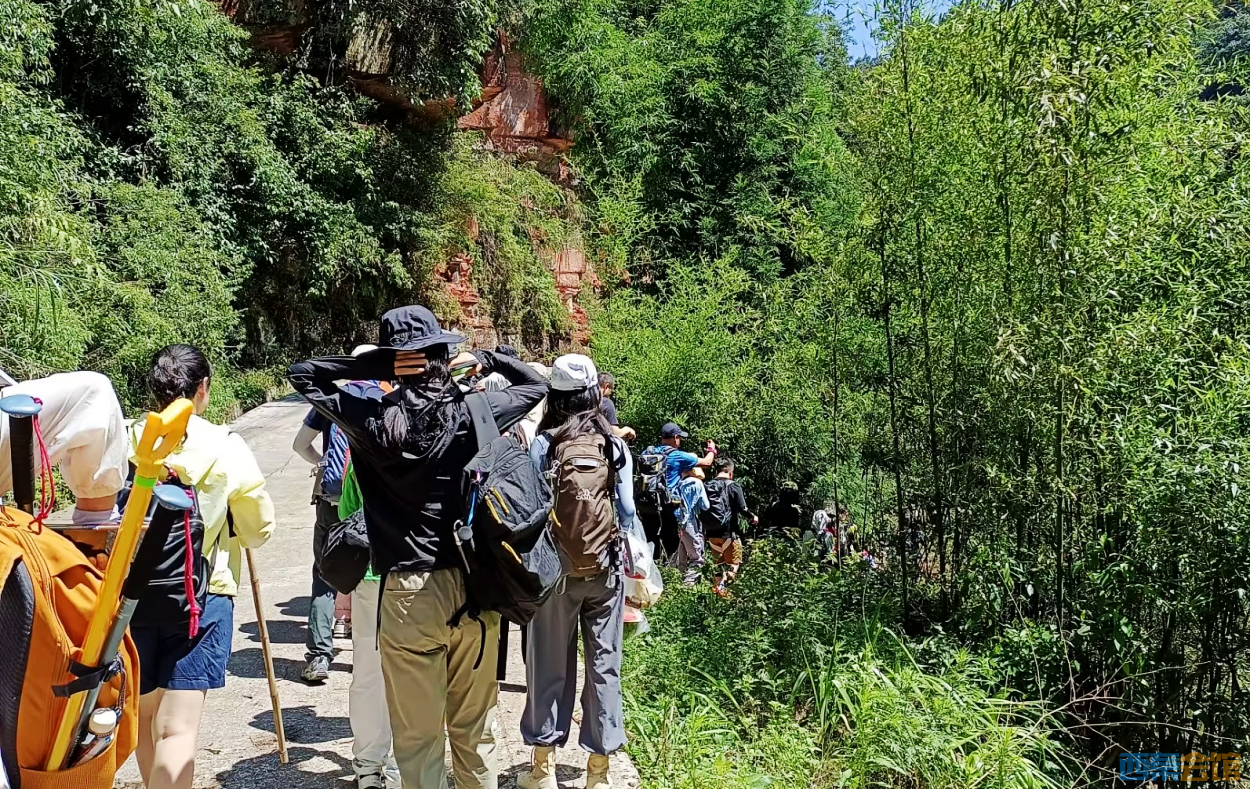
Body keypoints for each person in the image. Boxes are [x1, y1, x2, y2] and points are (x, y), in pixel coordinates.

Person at [288, 305, 548, 789]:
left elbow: (303, 374)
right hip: (473, 590)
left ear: (395, 364)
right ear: (441, 357)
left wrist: (374, 364)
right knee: (475, 735)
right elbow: (535, 385)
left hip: (406, 596)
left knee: (417, 740)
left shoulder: (370, 419)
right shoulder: (474, 411)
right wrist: (486, 358)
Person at [131, 345, 276, 789]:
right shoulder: (225, 446)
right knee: (177, 729)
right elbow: (257, 529)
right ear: (203, 389)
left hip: (131, 598)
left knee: (144, 718)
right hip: (203, 596)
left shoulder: (131, 438)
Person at [519, 354, 639, 789]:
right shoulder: (613, 446)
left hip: (555, 572)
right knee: (605, 664)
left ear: (554, 396)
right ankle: (598, 773)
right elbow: (627, 510)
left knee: (549, 664)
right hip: (605, 571)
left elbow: (531, 507)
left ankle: (542, 769)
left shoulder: (544, 443)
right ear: (593, 395)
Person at [291, 343, 378, 684]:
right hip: (371, 502)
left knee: (325, 574)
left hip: (332, 499)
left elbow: (300, 445)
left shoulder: (332, 400)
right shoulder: (386, 398)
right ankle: (374, 655)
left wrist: (323, 462)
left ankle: (319, 657)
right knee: (376, 574)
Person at [338, 458, 400, 789]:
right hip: (426, 579)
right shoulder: (440, 439)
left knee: (368, 675)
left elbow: (347, 516)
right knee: (420, 675)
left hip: (373, 576)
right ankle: (405, 765)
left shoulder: (362, 448)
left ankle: (369, 766)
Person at [641, 423, 716, 558]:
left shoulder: (647, 452)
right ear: (675, 438)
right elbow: (707, 462)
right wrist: (712, 449)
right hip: (668, 507)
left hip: (646, 505)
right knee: (671, 545)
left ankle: (651, 567)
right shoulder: (677, 456)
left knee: (650, 542)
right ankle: (668, 569)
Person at [701, 459, 757, 594]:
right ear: (730, 473)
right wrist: (753, 517)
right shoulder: (733, 486)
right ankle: (724, 590)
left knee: (718, 565)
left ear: (716, 471)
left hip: (711, 534)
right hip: (730, 534)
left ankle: (718, 591)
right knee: (734, 564)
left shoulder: (707, 485)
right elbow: (743, 508)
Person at [673, 467, 709, 585]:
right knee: (696, 557)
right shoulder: (697, 483)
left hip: (675, 522)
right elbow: (705, 506)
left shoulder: (676, 483)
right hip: (689, 522)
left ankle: (675, 583)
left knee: (679, 557)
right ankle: (688, 586)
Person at [596, 372, 635, 442]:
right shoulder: (606, 403)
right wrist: (626, 430)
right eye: (611, 389)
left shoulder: (583, 401)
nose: (611, 393)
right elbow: (614, 432)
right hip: (598, 445)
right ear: (606, 386)